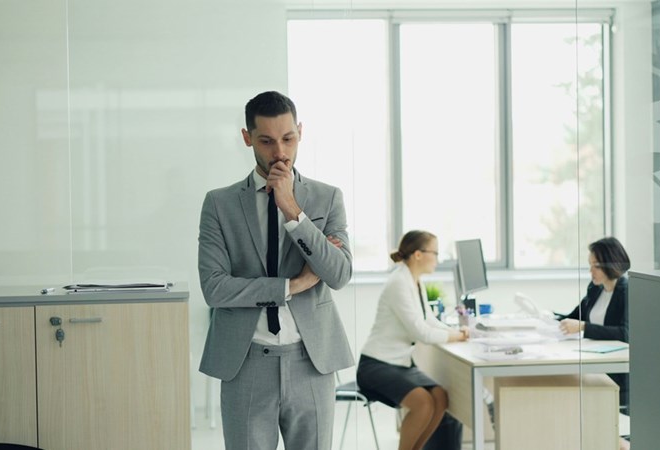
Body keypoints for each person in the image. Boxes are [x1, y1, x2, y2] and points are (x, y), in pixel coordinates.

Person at [197, 91, 354, 450]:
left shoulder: (327, 198)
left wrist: (292, 210)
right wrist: (292, 285)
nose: (280, 152)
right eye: (267, 141)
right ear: (247, 137)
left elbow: (339, 274)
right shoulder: (219, 204)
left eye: (288, 138)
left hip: (312, 362)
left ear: (300, 132)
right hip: (246, 363)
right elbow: (215, 288)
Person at [357, 230, 468, 450]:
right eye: (435, 253)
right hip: (376, 365)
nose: (437, 259)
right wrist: (456, 336)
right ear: (418, 254)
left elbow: (429, 320)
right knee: (423, 403)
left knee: (440, 397)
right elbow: (421, 332)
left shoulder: (415, 282)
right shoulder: (398, 283)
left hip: (400, 363)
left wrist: (458, 332)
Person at [559, 236, 630, 413]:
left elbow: (625, 333)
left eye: (596, 266)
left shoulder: (627, 291)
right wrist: (548, 318)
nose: (591, 271)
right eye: (590, 265)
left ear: (611, 264)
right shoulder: (595, 288)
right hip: (594, 359)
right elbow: (574, 316)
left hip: (616, 368)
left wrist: (584, 327)